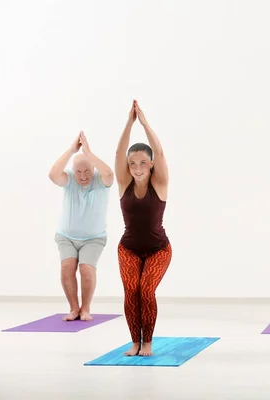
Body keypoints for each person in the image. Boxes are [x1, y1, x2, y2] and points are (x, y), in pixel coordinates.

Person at [115, 100, 172, 356]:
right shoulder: (124, 183)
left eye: (141, 163)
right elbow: (118, 155)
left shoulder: (159, 183)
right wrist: (129, 123)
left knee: (145, 290)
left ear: (150, 165)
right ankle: (134, 341)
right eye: (132, 164)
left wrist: (145, 123)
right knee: (131, 290)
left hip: (159, 249)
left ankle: (147, 341)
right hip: (128, 248)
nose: (136, 168)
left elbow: (159, 153)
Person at [48, 131, 114, 322]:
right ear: (73, 170)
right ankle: (74, 309)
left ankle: (85, 309)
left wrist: (88, 153)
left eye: (87, 171)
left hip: (94, 238)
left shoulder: (101, 181)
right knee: (67, 267)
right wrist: (71, 150)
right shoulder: (69, 179)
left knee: (86, 268)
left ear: (93, 169)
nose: (83, 176)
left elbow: (109, 173)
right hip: (66, 236)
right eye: (79, 171)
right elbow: (53, 175)